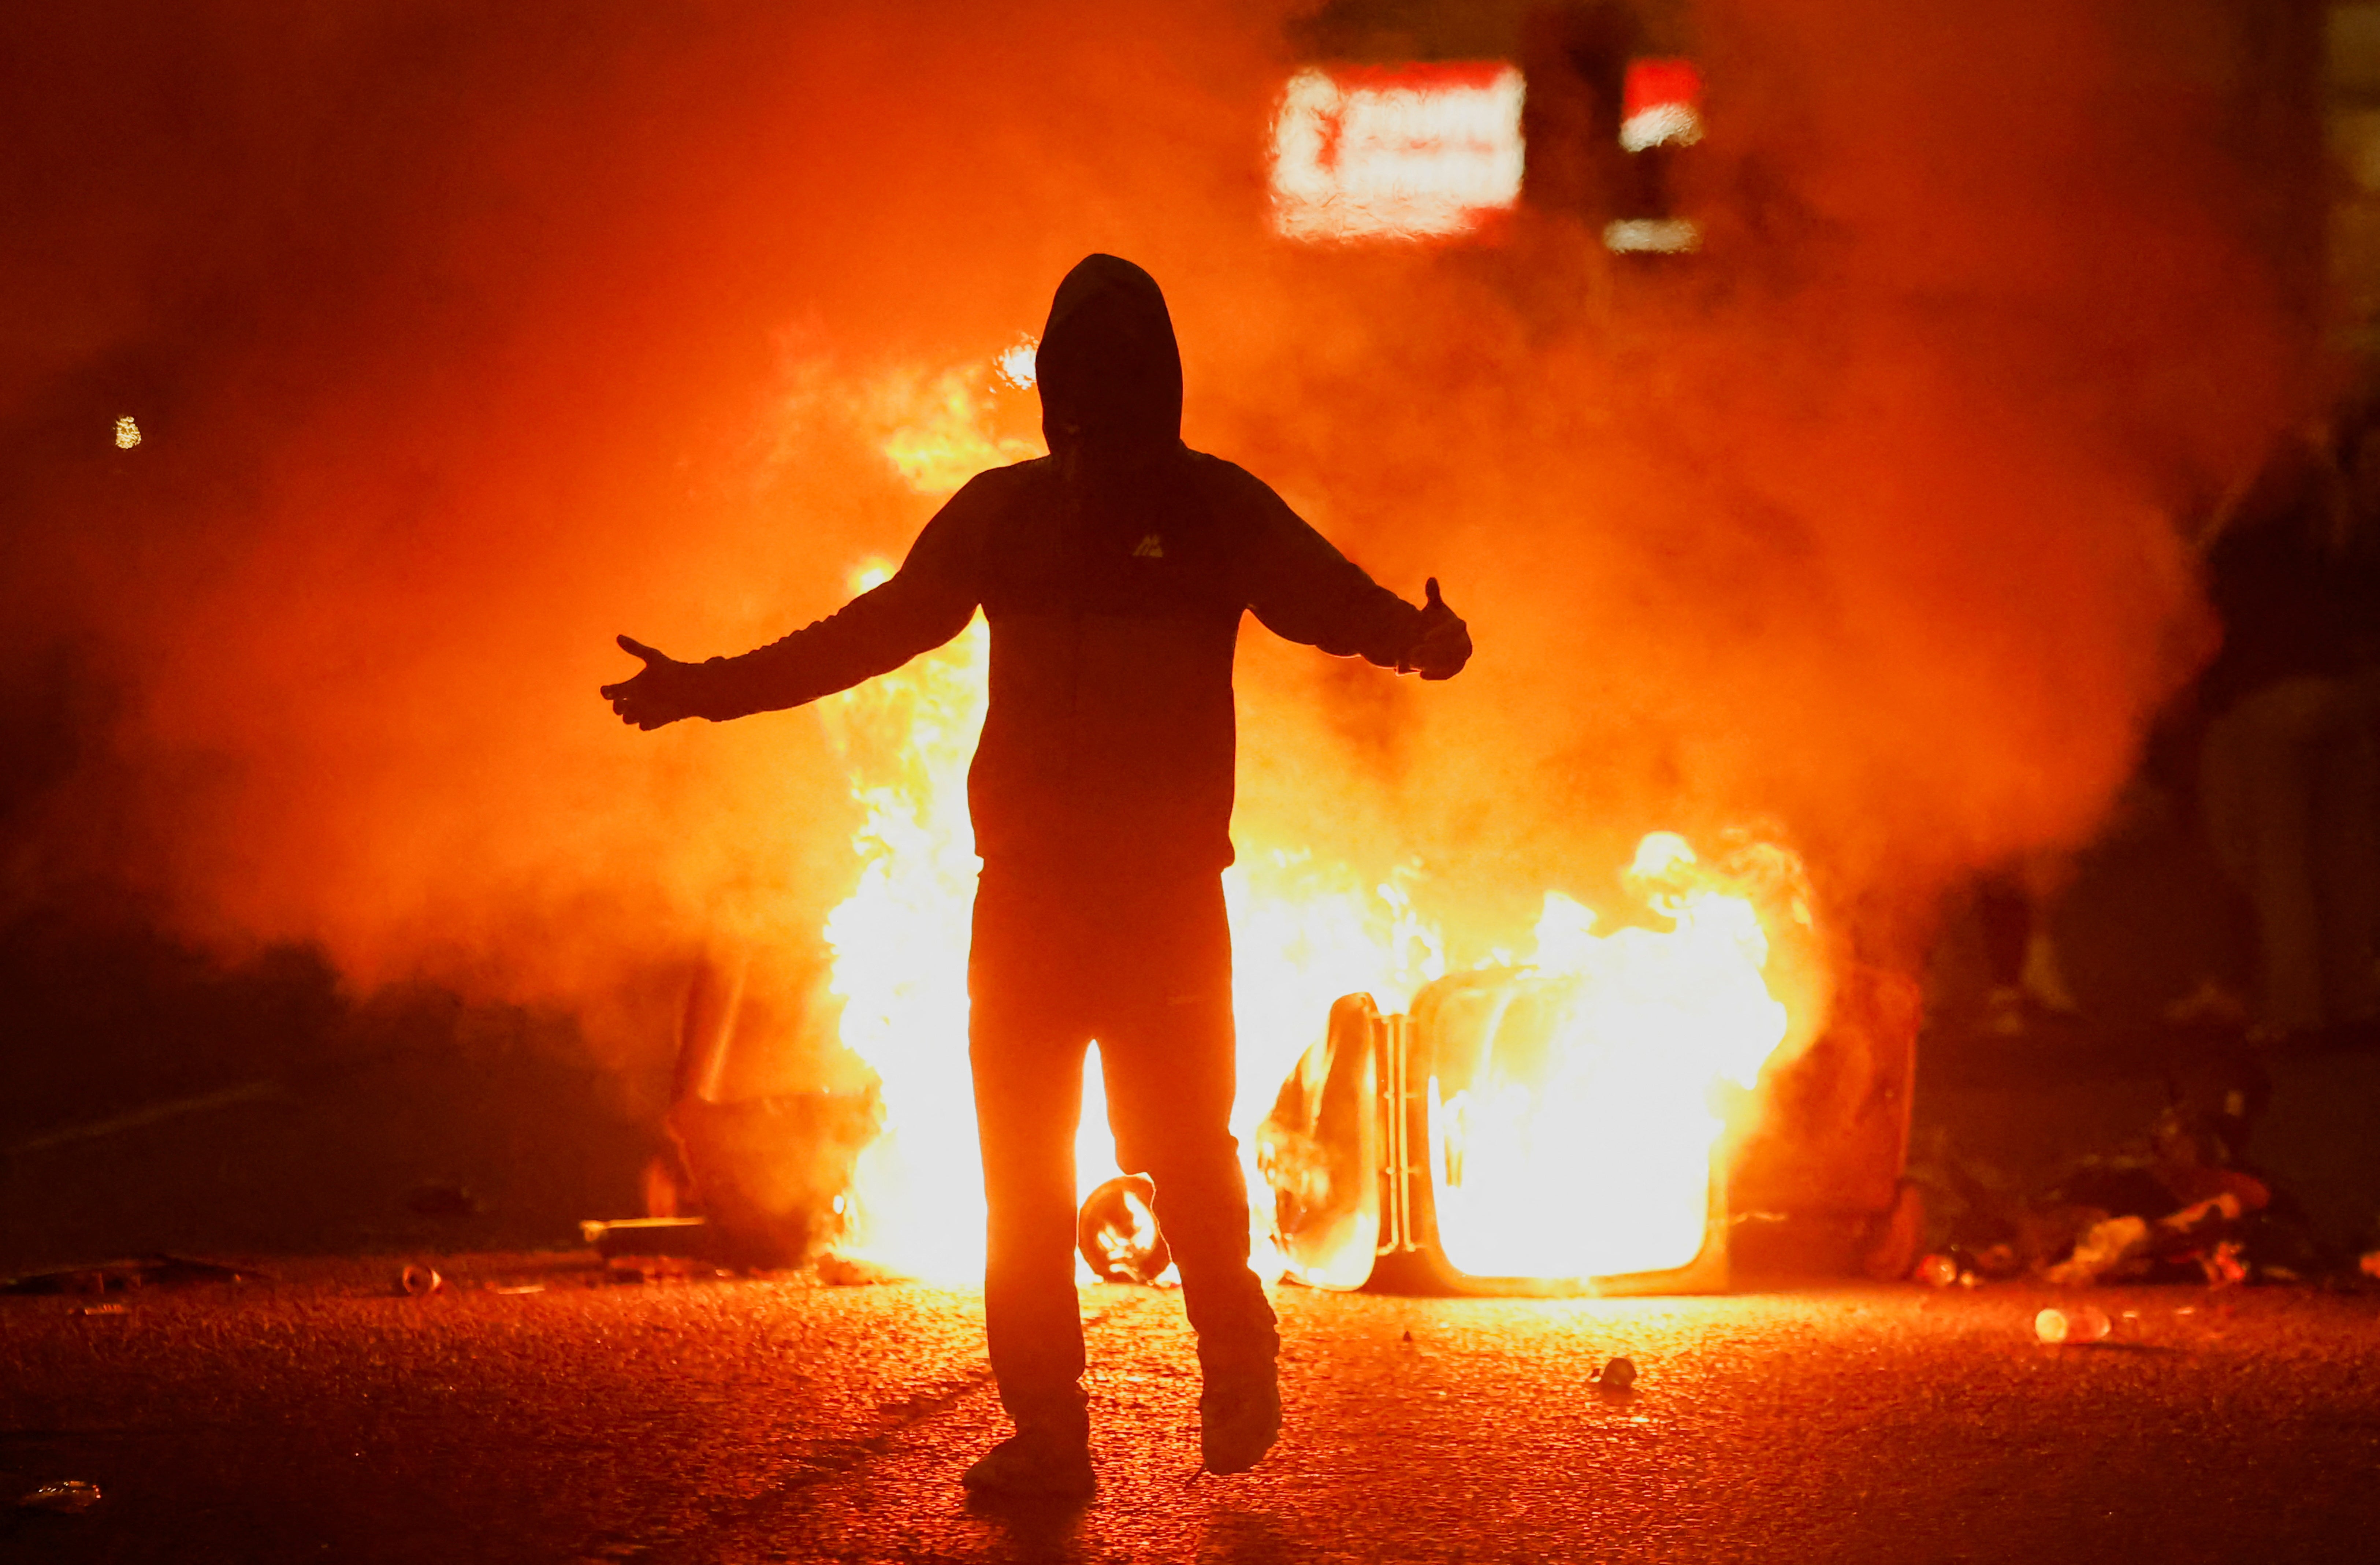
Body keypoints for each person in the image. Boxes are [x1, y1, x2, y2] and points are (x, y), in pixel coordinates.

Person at [600, 254, 1472, 1496]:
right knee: (1023, 1170)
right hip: (1028, 905)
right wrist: (711, 687)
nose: (1104, 407)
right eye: (1085, 382)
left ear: (1159, 388)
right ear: (1059, 395)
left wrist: (1417, 637)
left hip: (1164, 900)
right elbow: (875, 630)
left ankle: (1236, 1346)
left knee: (1178, 1143)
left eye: (1125, 380)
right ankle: (1052, 1438)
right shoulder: (1004, 518)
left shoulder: (1216, 510)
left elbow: (1330, 599)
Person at [2195, 417, 2380, 1046]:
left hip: (2270, 693)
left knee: (2281, 863)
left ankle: (2296, 1008)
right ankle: (2357, 998)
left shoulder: (2253, 510)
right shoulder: (2339, 501)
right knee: (2346, 855)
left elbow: (2210, 592)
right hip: (2345, 684)